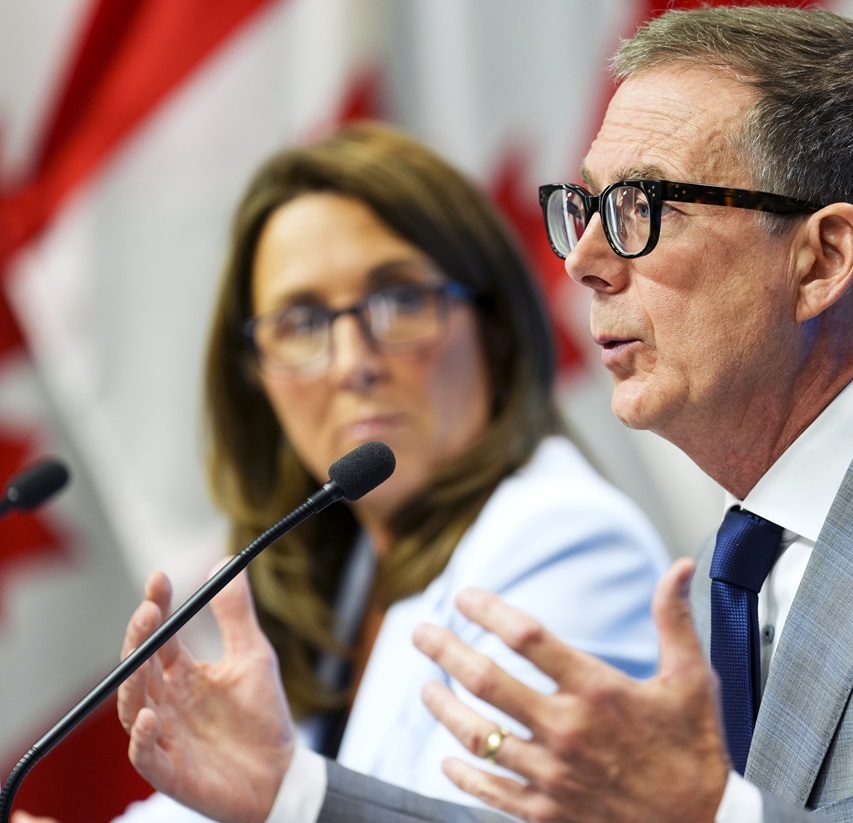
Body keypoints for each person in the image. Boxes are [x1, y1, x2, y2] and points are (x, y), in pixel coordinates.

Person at [103, 6, 853, 823]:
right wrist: (289, 795)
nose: (583, 260)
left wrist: (711, 818)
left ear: (821, 258)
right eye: (584, 205)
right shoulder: (763, 540)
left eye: (640, 207)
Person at [12, 122, 670, 823]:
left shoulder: (565, 540)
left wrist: (288, 797)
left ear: (495, 327)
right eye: (301, 321)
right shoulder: (354, 572)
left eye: (402, 300)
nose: (353, 361)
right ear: (256, 377)